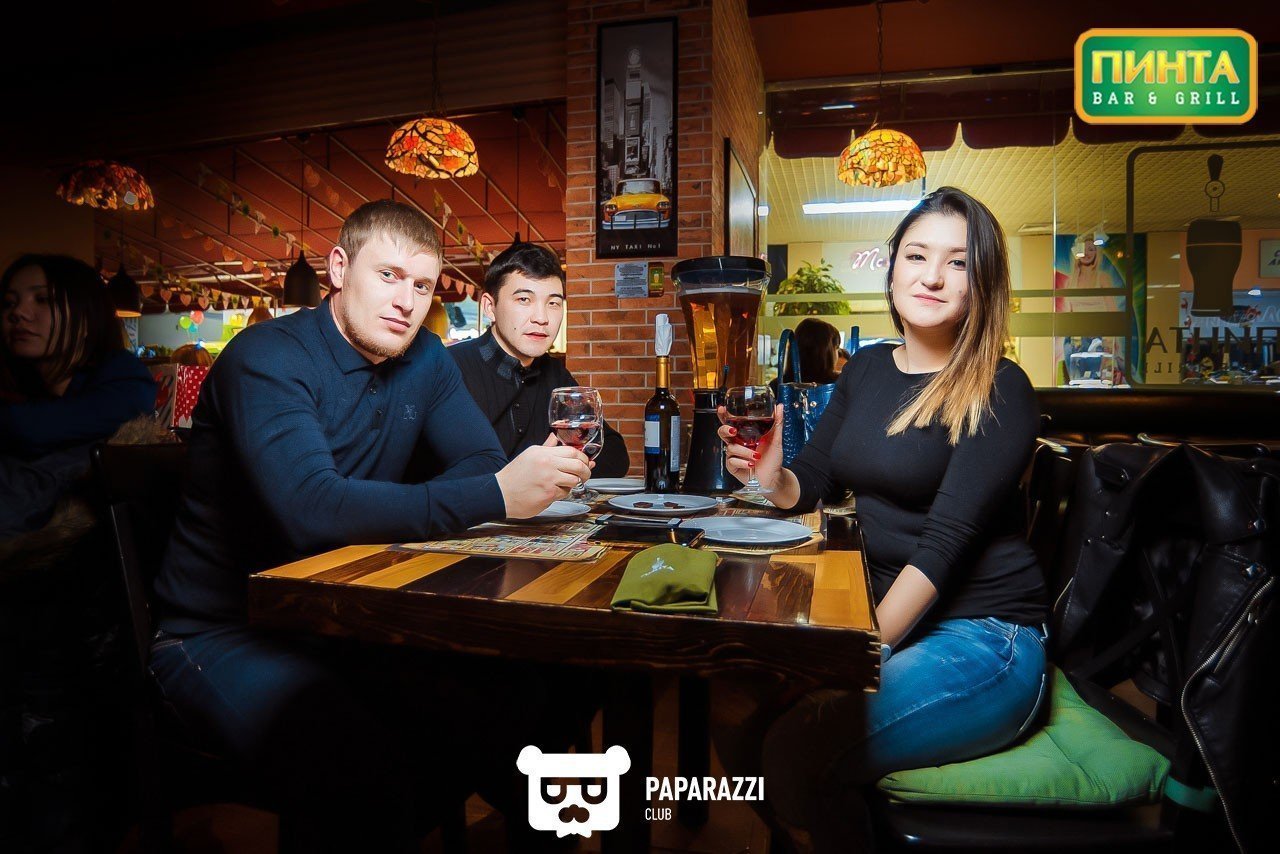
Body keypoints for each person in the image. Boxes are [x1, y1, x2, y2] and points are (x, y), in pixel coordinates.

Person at [148, 201, 593, 853]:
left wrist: (400, 501)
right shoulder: (268, 358)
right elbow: (311, 509)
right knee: (363, 764)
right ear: (338, 268)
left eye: (422, 285)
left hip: (341, 618)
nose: (406, 301)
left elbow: (477, 459)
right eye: (388, 275)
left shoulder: (426, 359)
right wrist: (494, 495)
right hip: (220, 630)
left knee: (517, 697)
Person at [714, 187, 1048, 852]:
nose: (932, 276)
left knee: (793, 748)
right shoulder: (866, 369)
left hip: (986, 638)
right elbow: (811, 482)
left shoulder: (1000, 386)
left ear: (983, 282)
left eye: (958, 262)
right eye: (917, 255)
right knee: (738, 712)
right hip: (889, 615)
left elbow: (944, 547)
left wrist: (853, 656)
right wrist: (771, 476)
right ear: (892, 267)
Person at [1, 254, 157, 852]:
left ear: (85, 313)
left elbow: (31, 433)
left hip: (85, 629)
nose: (19, 314)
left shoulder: (120, 379)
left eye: (41, 300)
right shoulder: (22, 390)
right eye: (10, 303)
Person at [449, 241, 630, 476]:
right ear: (489, 307)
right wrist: (524, 476)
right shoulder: (449, 368)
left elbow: (615, 455)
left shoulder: (555, 374)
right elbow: (431, 475)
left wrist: (555, 466)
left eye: (553, 303)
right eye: (524, 299)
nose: (542, 318)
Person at [770, 317, 843, 396]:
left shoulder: (777, 386)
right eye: (837, 348)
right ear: (828, 352)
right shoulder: (840, 384)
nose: (838, 355)